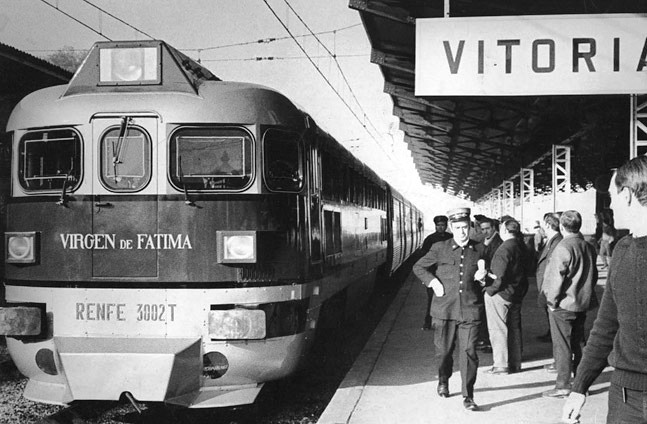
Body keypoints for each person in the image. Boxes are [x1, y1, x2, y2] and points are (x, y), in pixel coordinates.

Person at [562, 156, 647, 424]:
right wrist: (579, 387)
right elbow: (606, 324)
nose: (609, 206)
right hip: (625, 398)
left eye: (611, 197)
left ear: (628, 194)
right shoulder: (622, 250)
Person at [413, 207, 486, 411]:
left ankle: (468, 395)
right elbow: (418, 267)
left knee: (469, 351)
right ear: (451, 228)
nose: (462, 232)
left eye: (465, 227)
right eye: (458, 227)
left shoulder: (480, 249)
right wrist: (433, 282)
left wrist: (483, 278)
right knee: (444, 352)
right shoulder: (439, 247)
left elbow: (491, 277)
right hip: (444, 310)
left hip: (470, 310)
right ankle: (443, 379)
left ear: (470, 227)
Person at [541, 210, 598, 398]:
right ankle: (581, 385)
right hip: (582, 303)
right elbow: (594, 275)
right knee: (579, 343)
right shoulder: (587, 246)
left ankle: (563, 385)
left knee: (562, 345)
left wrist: (551, 302)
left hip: (563, 305)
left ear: (562, 227)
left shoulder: (563, 247)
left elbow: (556, 278)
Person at [481, 218, 529, 374]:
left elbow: (499, 277)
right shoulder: (521, 246)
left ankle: (501, 364)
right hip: (517, 293)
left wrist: (489, 291)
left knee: (498, 329)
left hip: (501, 295)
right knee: (514, 328)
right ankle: (515, 363)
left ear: (505, 231)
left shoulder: (504, 249)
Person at [536, 212, 564, 349]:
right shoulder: (552, 240)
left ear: (547, 224)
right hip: (546, 287)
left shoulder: (558, 242)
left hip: (550, 289)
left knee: (558, 327)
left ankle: (560, 360)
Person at [421, 215, 452, 330]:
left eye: (442, 225)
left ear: (446, 226)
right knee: (432, 299)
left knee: (448, 299)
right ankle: (428, 323)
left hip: (449, 273)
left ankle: (446, 322)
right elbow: (423, 258)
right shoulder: (429, 239)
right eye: (438, 225)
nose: (440, 227)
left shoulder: (451, 237)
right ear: (435, 226)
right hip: (433, 274)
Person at [475, 217, 502, 352]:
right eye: (482, 229)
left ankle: (489, 342)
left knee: (492, 317)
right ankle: (485, 339)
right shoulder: (482, 242)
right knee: (484, 314)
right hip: (483, 283)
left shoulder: (499, 243)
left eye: (487, 229)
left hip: (492, 285)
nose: (485, 231)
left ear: (493, 228)